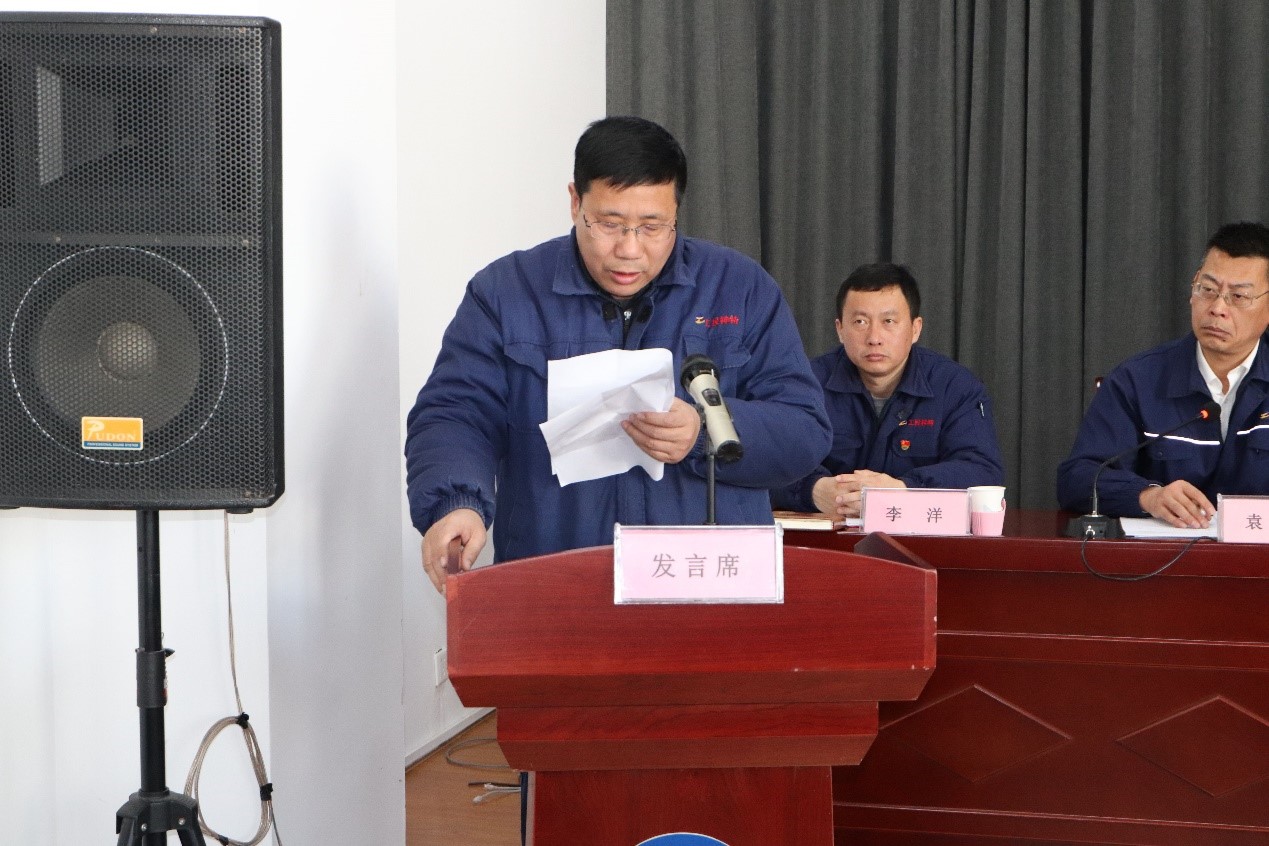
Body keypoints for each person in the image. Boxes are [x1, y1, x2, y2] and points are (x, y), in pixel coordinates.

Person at [405, 115, 831, 592]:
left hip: (706, 584)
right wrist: (456, 503)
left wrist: (702, 432)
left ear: (676, 212)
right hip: (559, 584)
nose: (629, 249)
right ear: (575, 202)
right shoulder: (507, 293)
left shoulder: (739, 288)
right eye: (609, 224)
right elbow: (455, 413)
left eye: (652, 227)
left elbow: (805, 429)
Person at [1056, 221, 1269, 528]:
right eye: (1207, 289)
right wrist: (1148, 496)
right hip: (1164, 555)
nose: (1217, 308)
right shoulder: (1137, 381)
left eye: (1238, 297)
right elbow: (1076, 479)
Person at [771, 262, 1004, 519]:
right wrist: (814, 490)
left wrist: (904, 490)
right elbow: (765, 461)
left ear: (915, 329)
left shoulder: (955, 387)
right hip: (829, 537)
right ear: (840, 329)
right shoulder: (806, 384)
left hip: (919, 535)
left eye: (889, 321)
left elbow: (982, 471)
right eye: (860, 321)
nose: (874, 337)